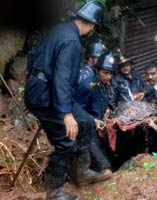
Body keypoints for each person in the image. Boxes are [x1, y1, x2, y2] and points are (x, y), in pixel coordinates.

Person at [24, 1, 111, 199]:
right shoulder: (72, 41)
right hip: (45, 96)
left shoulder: (60, 29)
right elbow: (62, 77)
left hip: (49, 90)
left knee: (87, 122)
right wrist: (66, 113)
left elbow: (34, 57)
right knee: (66, 142)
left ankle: (83, 173)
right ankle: (53, 192)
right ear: (92, 26)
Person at [76, 39, 106, 111]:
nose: (104, 60)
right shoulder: (85, 76)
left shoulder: (94, 71)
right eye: (100, 57)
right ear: (90, 57)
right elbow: (80, 106)